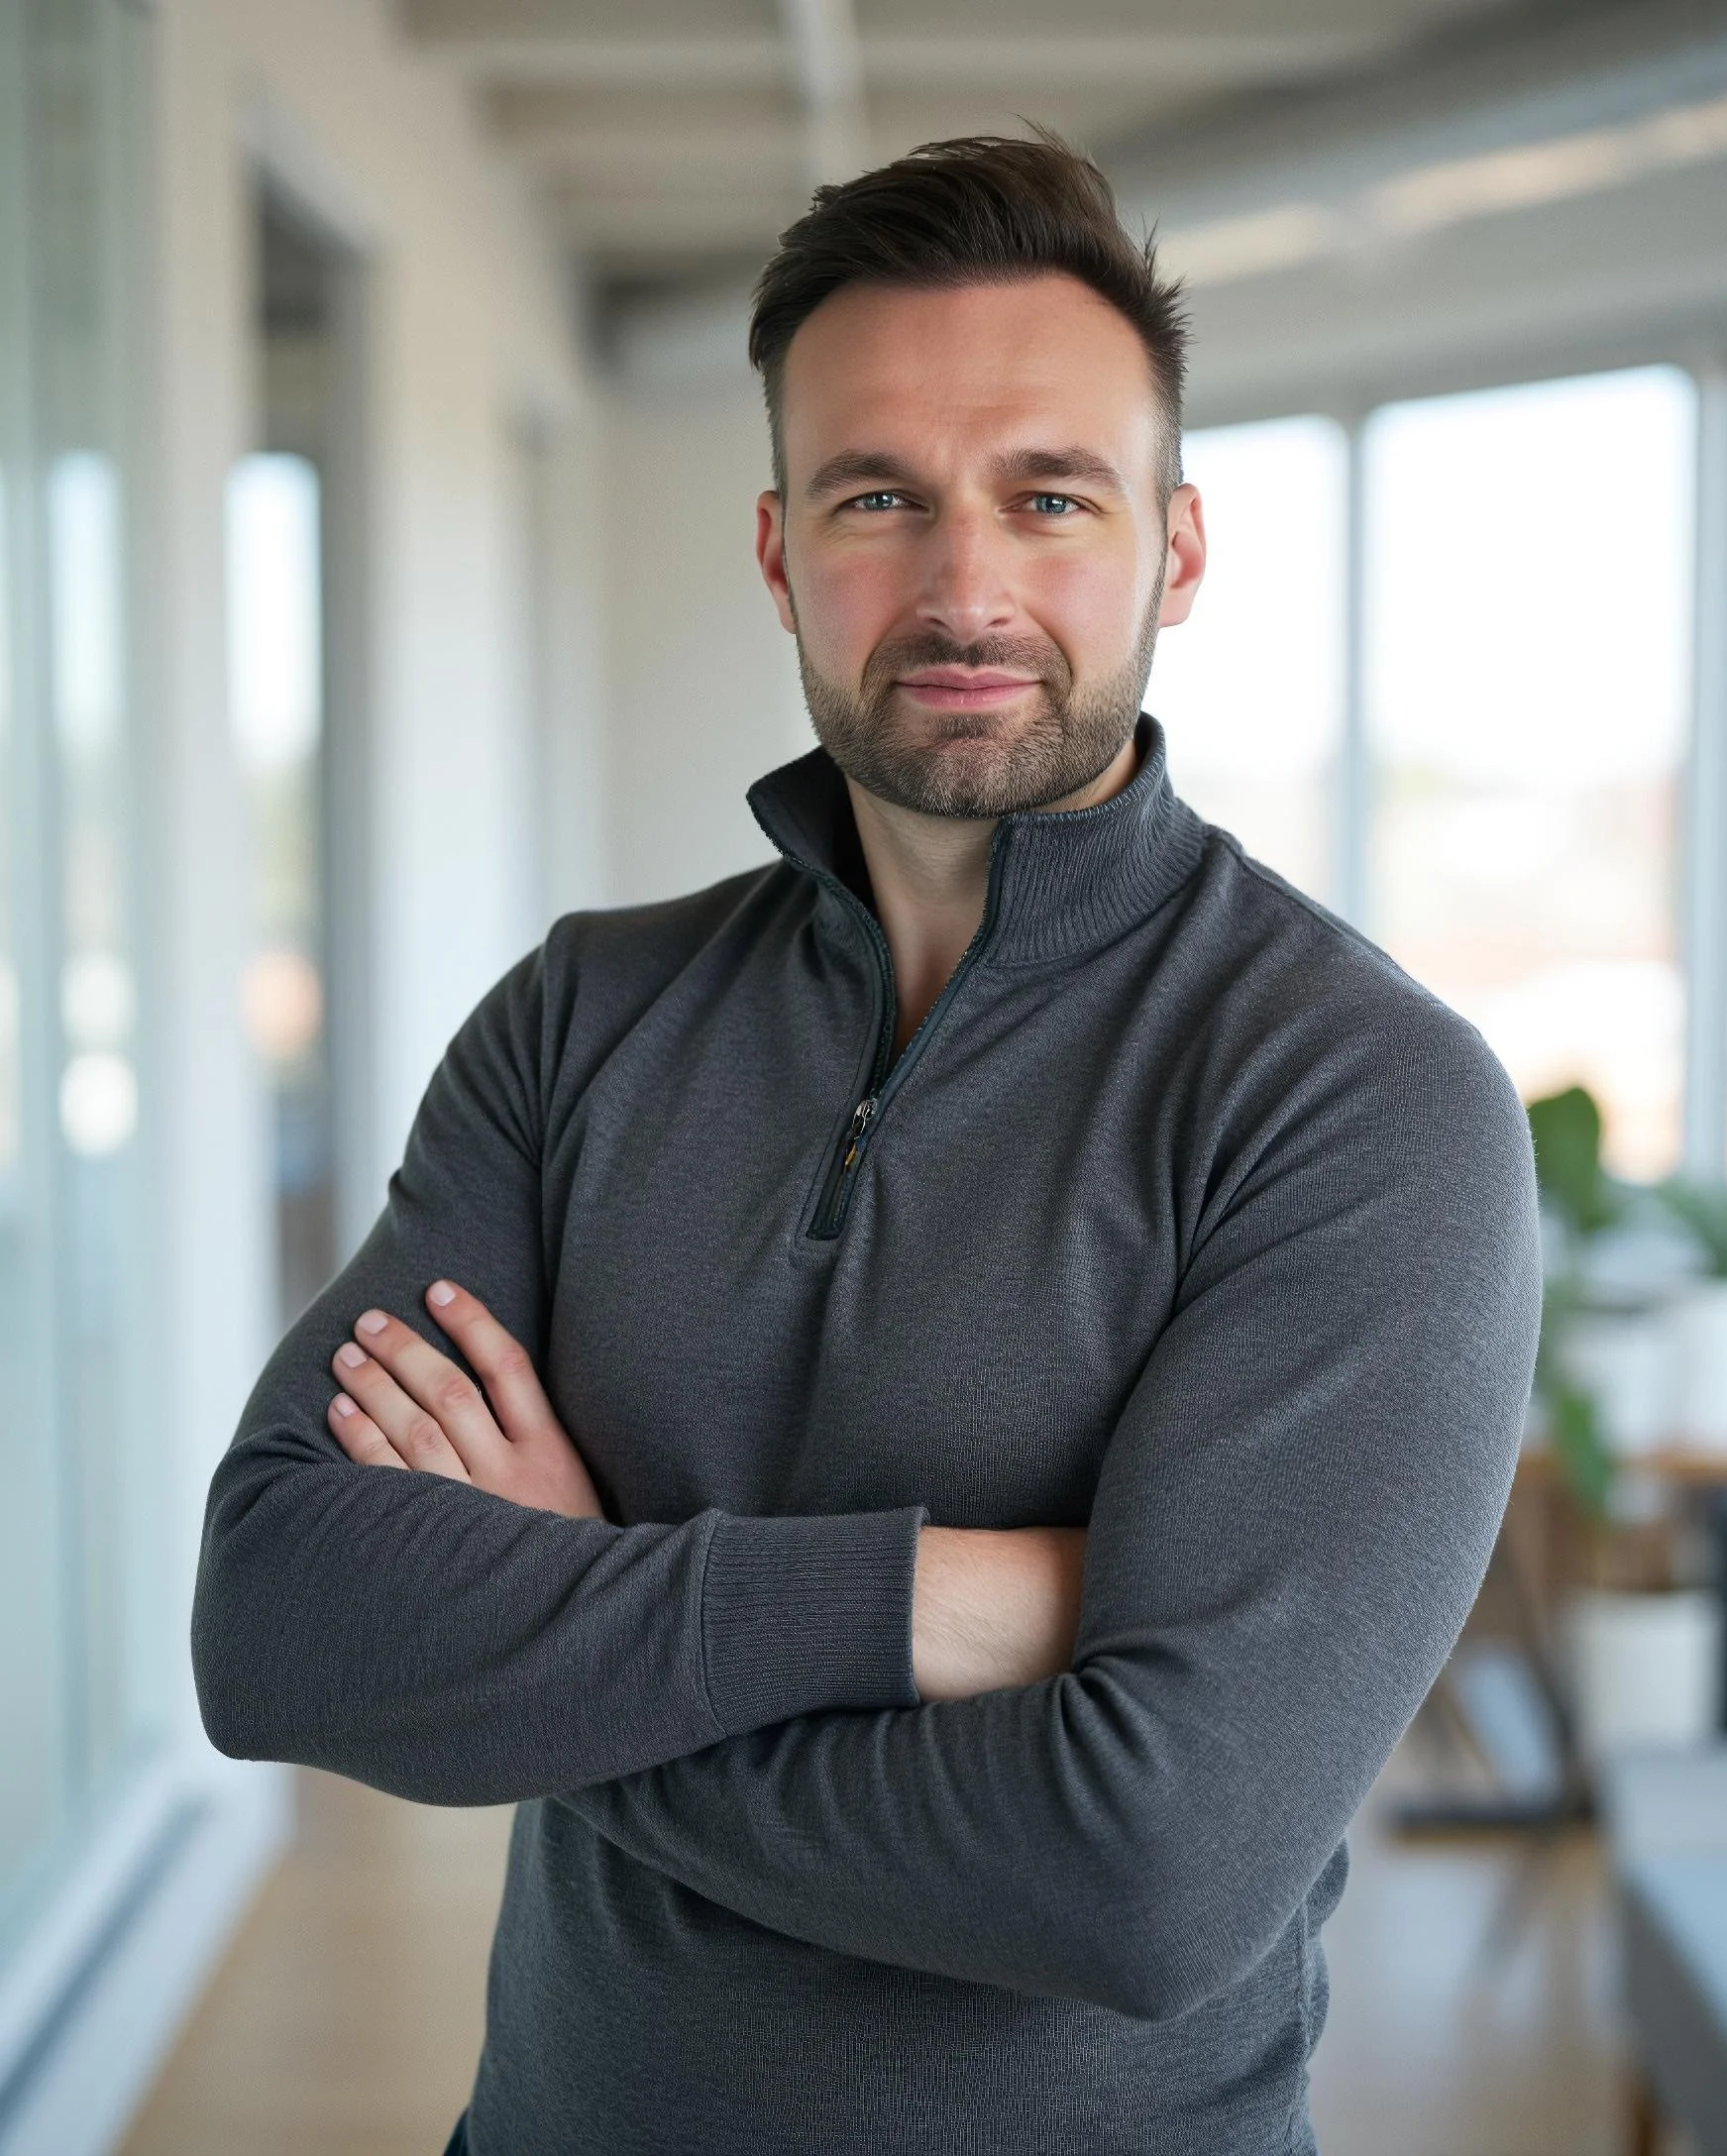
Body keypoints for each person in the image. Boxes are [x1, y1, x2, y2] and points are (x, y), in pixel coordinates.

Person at [192, 133, 1542, 2155]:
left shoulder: (1353, 1094)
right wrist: (919, 1603)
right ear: (778, 551)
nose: (962, 581)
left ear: (1173, 548)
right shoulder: (581, 1019)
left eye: (1047, 496)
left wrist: (572, 1624)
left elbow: (1148, 1871)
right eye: (879, 494)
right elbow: (279, 1615)